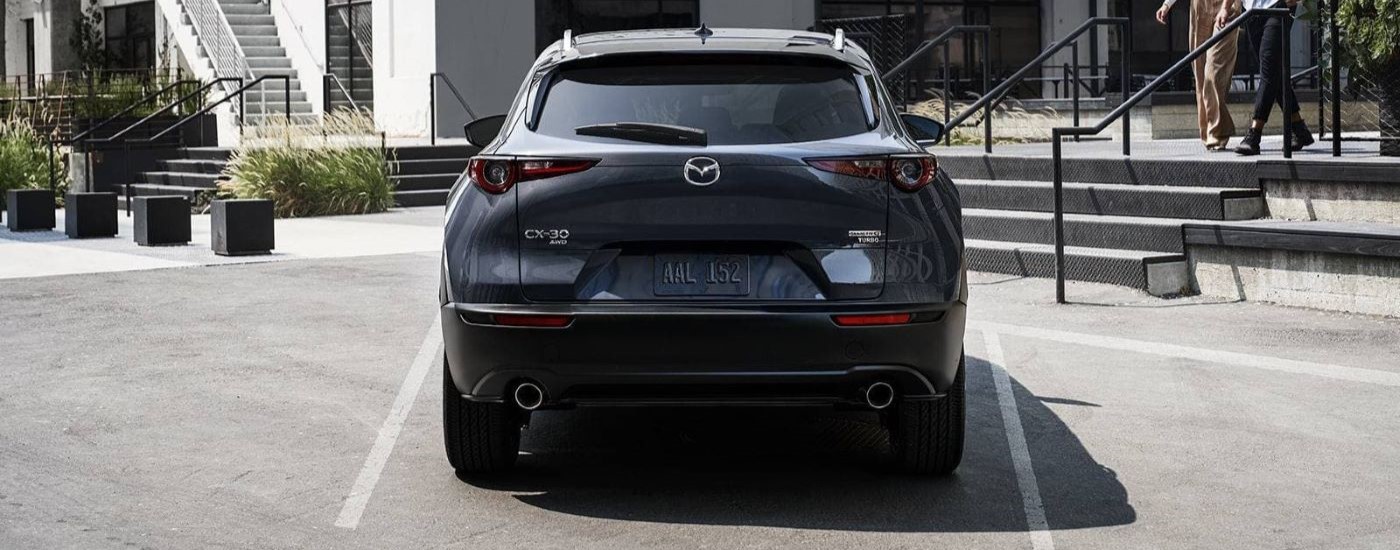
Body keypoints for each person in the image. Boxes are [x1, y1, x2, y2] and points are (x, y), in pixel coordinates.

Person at [1217, 0, 1315, 156]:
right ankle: (1298, 128)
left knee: (1268, 72)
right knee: (1274, 72)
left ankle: (1254, 134)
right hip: (1251, 11)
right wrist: (1225, 7)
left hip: (1278, 7)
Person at [1158, 0, 1240, 150]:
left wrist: (1225, 7)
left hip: (1228, 5)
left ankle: (1217, 132)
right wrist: (1167, 4)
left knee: (1213, 70)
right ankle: (1209, 131)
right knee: (1200, 73)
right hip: (1200, 6)